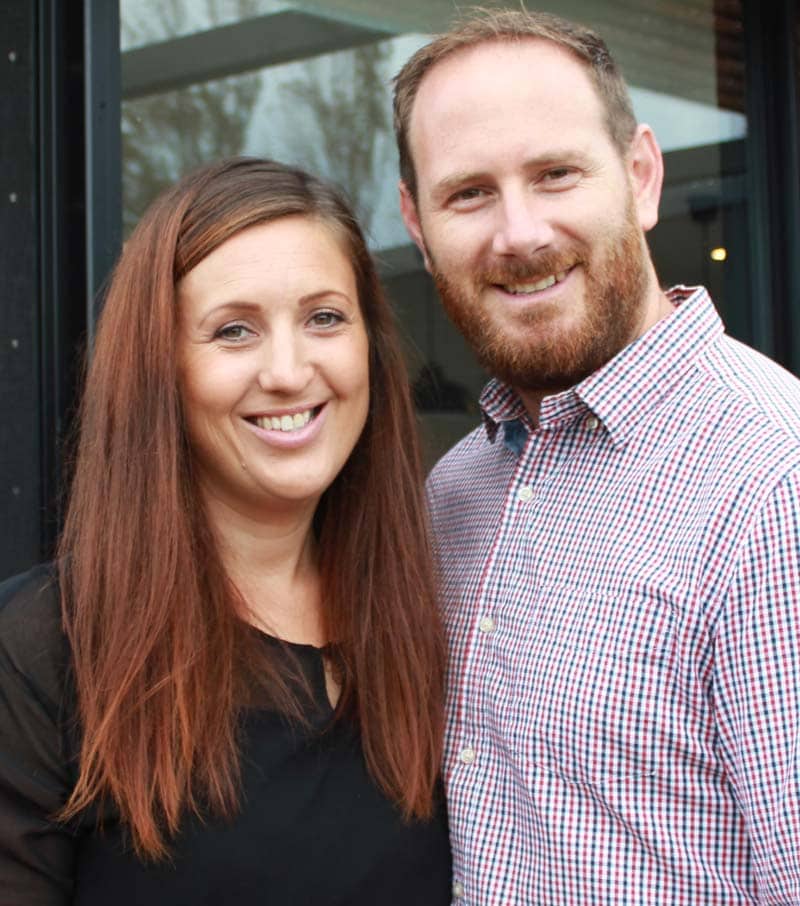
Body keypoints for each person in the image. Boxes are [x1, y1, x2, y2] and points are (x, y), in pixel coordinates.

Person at [393, 9, 800, 905]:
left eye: (556, 174)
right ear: (417, 224)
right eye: (469, 193)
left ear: (641, 176)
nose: (519, 233)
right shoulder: (455, 491)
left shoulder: (776, 484)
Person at [0, 158, 452, 904]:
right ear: (162, 371)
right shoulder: (47, 649)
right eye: (234, 331)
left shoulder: (432, 619)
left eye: (324, 318)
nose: (288, 371)